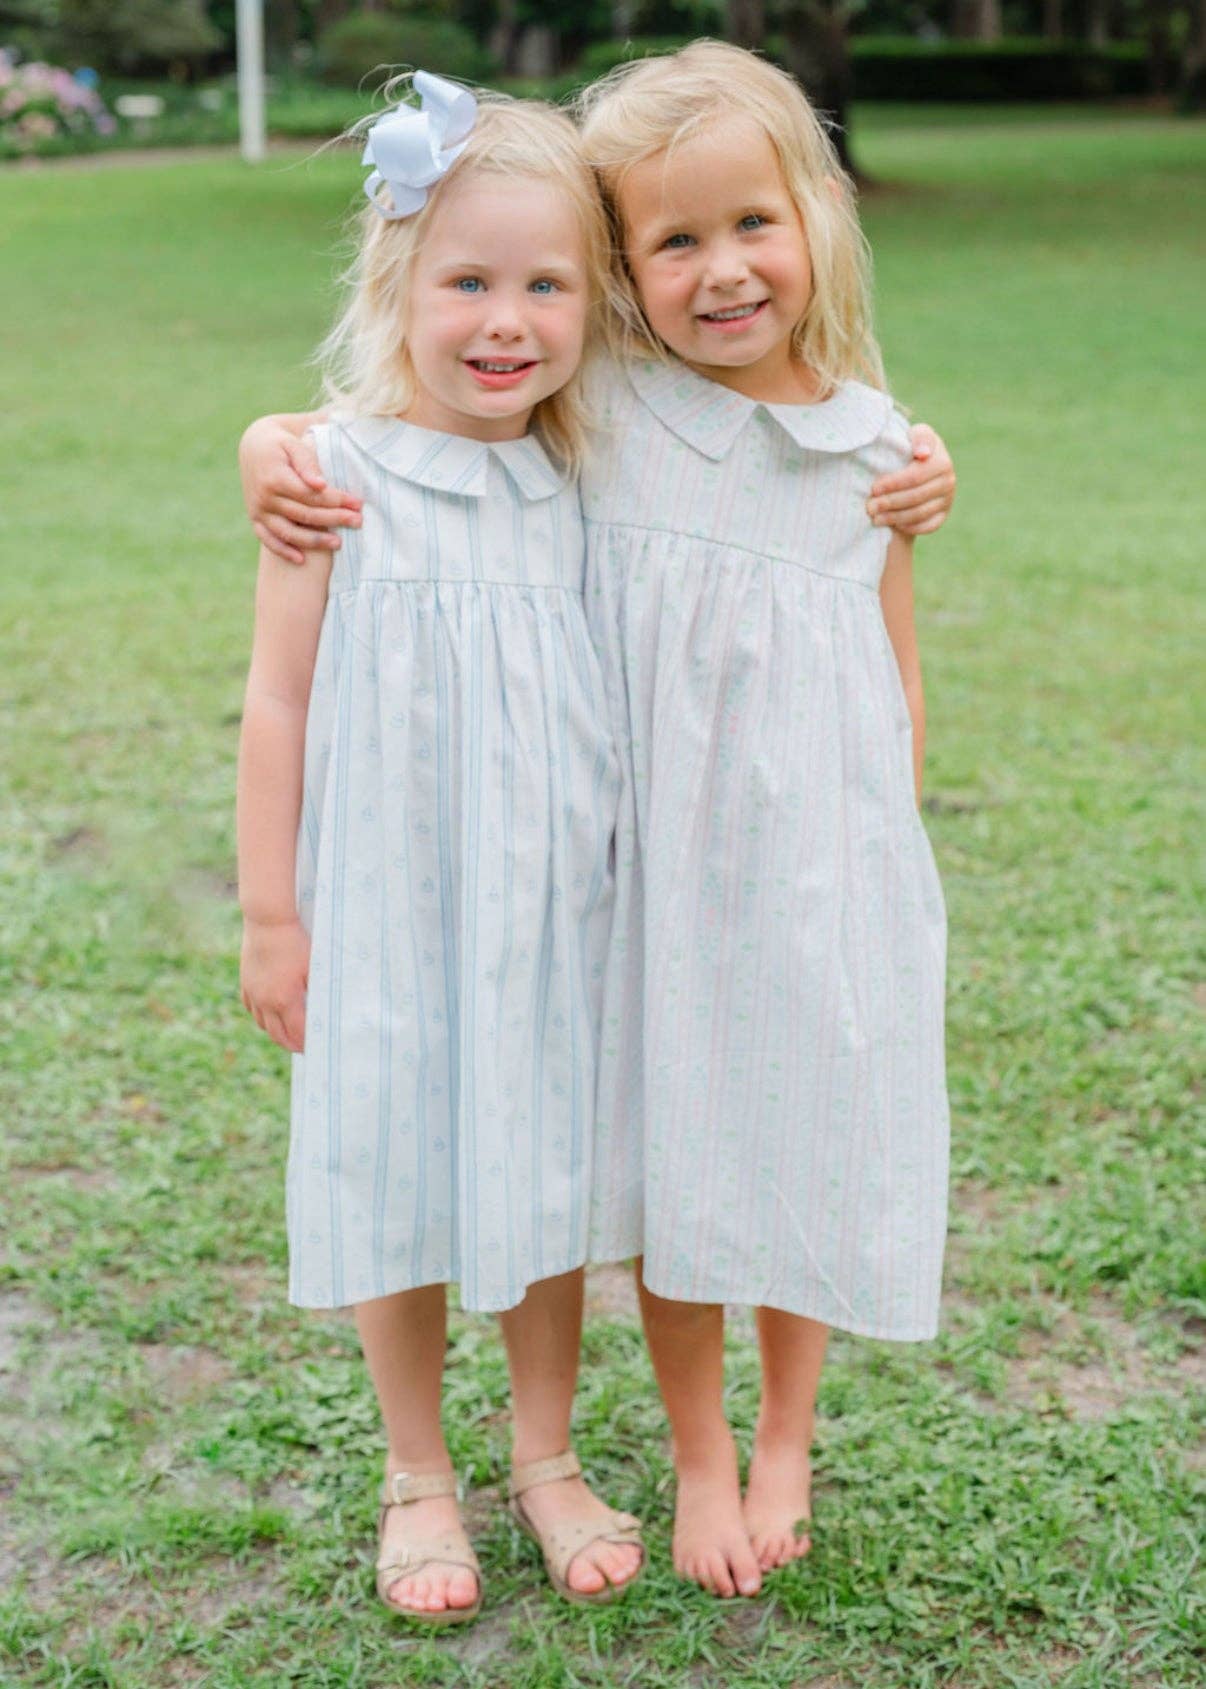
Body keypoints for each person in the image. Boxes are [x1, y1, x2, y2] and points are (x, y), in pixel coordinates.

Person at [239, 45, 956, 1606]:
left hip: (684, 892)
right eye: (673, 240)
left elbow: (876, 638)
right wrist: (262, 443)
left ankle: (661, 1445)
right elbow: (299, 637)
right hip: (502, 895)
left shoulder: (753, 447)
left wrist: (921, 471)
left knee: (660, 1158)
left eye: (750, 224)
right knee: (515, 1162)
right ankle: (497, 1466)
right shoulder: (493, 444)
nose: (721, 269)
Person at [235, 76, 644, 1627]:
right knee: (390, 1161)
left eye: (546, 285)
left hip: (546, 908)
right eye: (466, 280)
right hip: (382, 903)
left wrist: (913, 457)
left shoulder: (587, 478)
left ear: (593, 304)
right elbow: (277, 698)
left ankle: (545, 1455)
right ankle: (417, 1470)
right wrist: (271, 914)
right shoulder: (330, 479)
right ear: (396, 284)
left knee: (543, 1166)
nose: (505, 321)